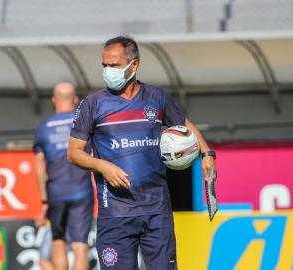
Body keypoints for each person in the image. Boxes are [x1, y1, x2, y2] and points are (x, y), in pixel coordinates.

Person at [67, 36, 217, 270]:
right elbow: (74, 153)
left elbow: (183, 124)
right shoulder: (92, 104)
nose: (108, 71)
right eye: (104, 65)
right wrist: (102, 166)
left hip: (157, 210)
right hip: (115, 213)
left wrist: (206, 154)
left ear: (134, 65)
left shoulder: (157, 97)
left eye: (114, 66)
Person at [34, 82, 94, 270]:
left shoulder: (43, 128)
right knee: (80, 246)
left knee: (58, 241)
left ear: (53, 100)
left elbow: (39, 169)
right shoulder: (83, 123)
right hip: (81, 191)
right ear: (75, 100)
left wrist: (44, 201)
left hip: (56, 193)